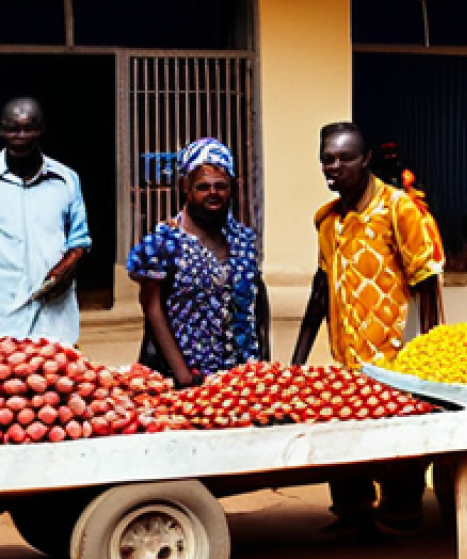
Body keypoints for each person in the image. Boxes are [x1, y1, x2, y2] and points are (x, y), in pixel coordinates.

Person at [291, 122, 444, 534]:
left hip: (396, 357)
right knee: (338, 428)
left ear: (367, 160)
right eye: (327, 158)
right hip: (347, 358)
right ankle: (354, 510)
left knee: (399, 438)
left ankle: (402, 512)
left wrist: (431, 354)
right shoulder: (327, 220)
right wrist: (296, 362)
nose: (334, 167)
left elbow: (427, 283)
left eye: (345, 158)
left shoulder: (398, 209)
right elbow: (320, 291)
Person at [126, 137, 269, 386]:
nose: (213, 194)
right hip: (187, 377)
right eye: (203, 187)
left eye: (221, 186)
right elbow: (152, 307)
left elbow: (257, 298)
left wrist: (262, 363)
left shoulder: (243, 240)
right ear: (186, 187)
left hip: (242, 378)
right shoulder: (164, 242)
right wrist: (183, 374)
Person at [0, 97, 91, 345]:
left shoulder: (66, 180)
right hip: (4, 316)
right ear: (1, 131)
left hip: (53, 316)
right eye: (12, 128)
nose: (20, 136)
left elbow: (80, 239)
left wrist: (66, 266)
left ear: (40, 130)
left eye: (28, 128)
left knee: (56, 380)